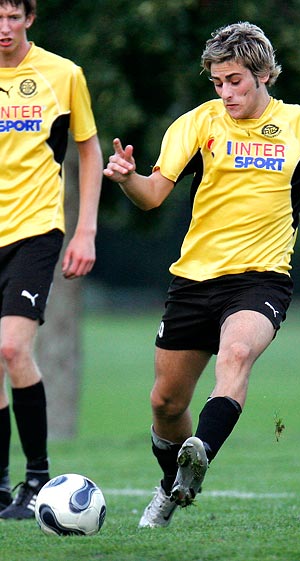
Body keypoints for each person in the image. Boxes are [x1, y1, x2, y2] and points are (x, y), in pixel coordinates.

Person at [103, 21, 300, 529]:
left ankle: (203, 448)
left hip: (262, 278)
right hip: (194, 279)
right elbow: (153, 194)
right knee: (165, 402)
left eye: (236, 81)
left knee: (237, 353)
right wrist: (128, 179)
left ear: (264, 73)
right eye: (218, 82)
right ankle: (171, 483)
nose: (226, 93)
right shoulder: (197, 124)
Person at [0, 0, 102, 519]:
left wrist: (85, 229)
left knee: (13, 349)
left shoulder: (63, 75)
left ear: (30, 19)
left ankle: (37, 479)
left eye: (13, 16)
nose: (4, 28)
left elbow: (88, 148)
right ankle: (0, 488)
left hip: (35, 230)